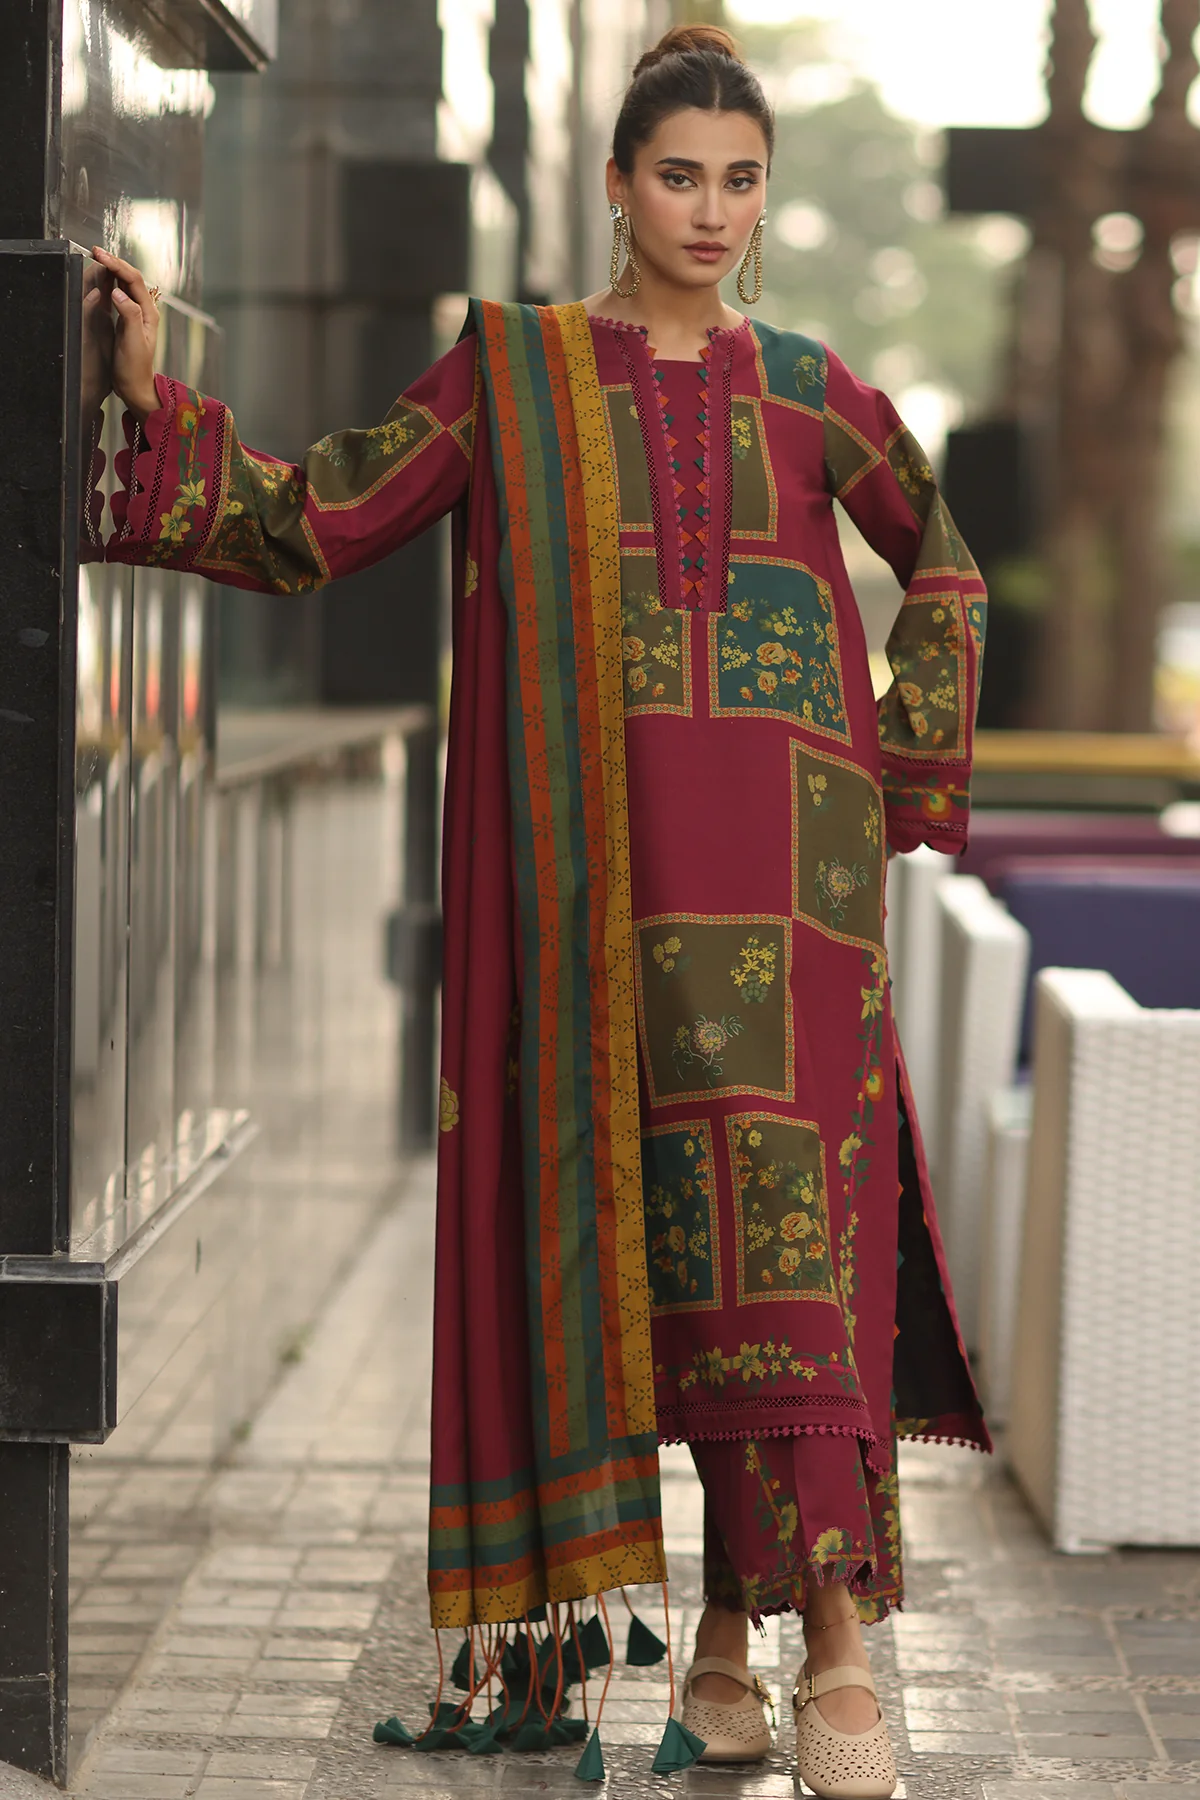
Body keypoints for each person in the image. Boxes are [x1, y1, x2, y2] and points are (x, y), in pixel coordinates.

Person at [95, 24, 988, 1796]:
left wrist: (890, 781)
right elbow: (320, 516)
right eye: (681, 176)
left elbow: (944, 564)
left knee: (786, 1268)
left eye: (742, 181)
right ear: (616, 186)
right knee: (657, 1271)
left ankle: (832, 1641)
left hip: (792, 908)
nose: (713, 211)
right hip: (597, 915)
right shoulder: (508, 377)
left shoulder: (811, 389)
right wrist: (153, 397)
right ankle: (717, 1642)